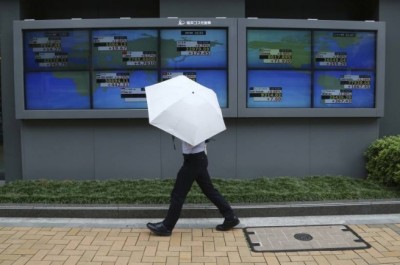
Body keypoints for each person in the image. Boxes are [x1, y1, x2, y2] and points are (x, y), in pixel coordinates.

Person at [147, 140, 239, 236]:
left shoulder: (194, 129)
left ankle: (166, 226)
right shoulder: (198, 126)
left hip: (193, 161)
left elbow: (191, 142)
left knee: (178, 194)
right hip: (198, 159)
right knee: (210, 191)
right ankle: (230, 217)